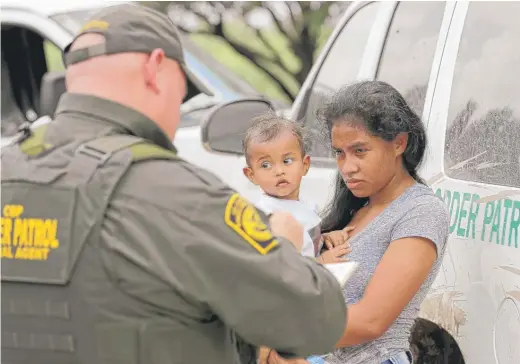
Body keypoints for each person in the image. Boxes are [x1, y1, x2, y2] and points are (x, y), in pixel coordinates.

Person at [0, 4, 348, 364]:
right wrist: (286, 248)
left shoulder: (8, 171)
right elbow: (317, 319)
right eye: (182, 90)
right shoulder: (172, 192)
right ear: (154, 68)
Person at [266, 81, 450, 364]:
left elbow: (370, 321)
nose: (347, 167)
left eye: (360, 151)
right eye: (340, 153)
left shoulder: (420, 211)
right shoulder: (354, 210)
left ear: (399, 143)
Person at [242, 113, 354, 264]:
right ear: (251, 175)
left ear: (305, 165)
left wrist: (324, 238)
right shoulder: (268, 217)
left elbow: (305, 243)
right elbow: (282, 266)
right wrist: (321, 261)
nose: (279, 171)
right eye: (266, 165)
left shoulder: (304, 205)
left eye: (287, 161)